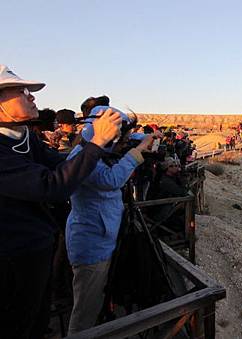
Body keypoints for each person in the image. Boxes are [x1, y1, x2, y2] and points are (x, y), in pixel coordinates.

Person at [0, 65, 122, 339]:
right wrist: (96, 141)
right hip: (12, 256)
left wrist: (102, 146)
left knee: (38, 319)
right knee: (17, 323)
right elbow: (52, 185)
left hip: (38, 247)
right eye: (20, 91)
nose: (31, 97)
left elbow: (64, 164)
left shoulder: (25, 137)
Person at [65, 106, 154, 335]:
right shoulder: (82, 158)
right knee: (85, 313)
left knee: (98, 300)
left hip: (102, 238)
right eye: (120, 138)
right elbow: (111, 180)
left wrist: (146, 137)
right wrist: (138, 153)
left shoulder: (93, 151)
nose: (124, 143)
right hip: (92, 244)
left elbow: (135, 138)